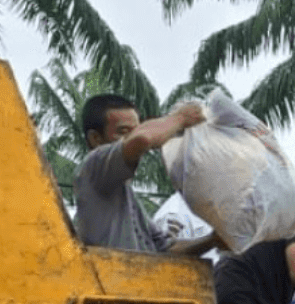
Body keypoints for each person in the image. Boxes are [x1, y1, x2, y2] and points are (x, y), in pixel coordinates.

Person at [72, 93, 216, 256]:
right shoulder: (93, 167)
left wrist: (213, 240)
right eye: (123, 132)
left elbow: (165, 251)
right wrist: (181, 117)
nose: (131, 137)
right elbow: (142, 139)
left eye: (136, 129)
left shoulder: (125, 195)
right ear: (95, 139)